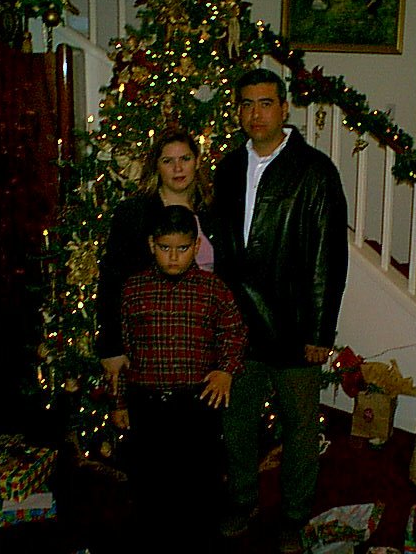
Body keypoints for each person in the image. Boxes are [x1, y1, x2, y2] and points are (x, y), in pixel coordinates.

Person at [213, 68, 348, 552]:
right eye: (246, 104)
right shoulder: (227, 169)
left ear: (284, 108)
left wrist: (319, 331)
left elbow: (328, 259)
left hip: (295, 326)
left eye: (265, 103)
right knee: (237, 425)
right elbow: (220, 251)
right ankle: (242, 501)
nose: (255, 113)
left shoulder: (314, 171)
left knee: (299, 429)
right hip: (239, 327)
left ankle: (294, 514)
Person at [114, 205, 247, 552]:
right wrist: (120, 402)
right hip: (148, 405)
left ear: (196, 245)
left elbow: (234, 333)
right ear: (151, 244)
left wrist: (226, 369)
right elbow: (124, 353)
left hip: (196, 405)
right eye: (164, 248)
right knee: (150, 483)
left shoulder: (214, 290)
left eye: (183, 248)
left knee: (199, 484)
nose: (173, 257)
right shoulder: (133, 290)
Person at [97, 127, 215, 391]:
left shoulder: (214, 211)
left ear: (197, 161)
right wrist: (111, 347)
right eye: (168, 161)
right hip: (151, 347)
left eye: (185, 159)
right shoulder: (134, 214)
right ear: (156, 167)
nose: (178, 168)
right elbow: (112, 282)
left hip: (203, 350)